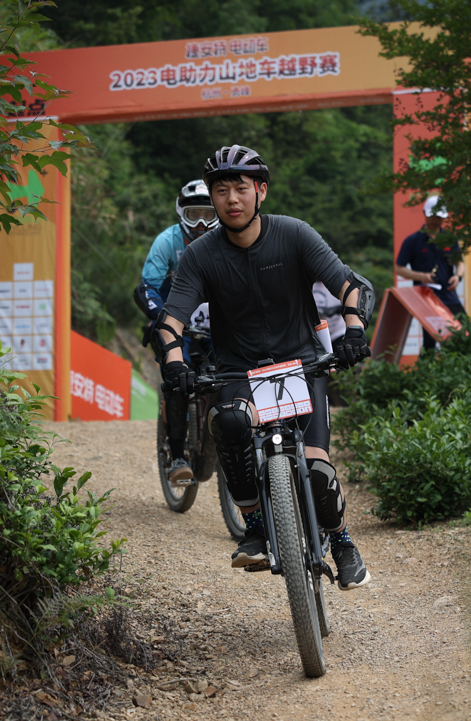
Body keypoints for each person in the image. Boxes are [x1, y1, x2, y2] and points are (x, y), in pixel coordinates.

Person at [154, 144, 372, 590]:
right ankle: (254, 526)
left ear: (261, 191)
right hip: (238, 373)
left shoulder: (294, 235)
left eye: (241, 188)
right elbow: (170, 321)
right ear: (211, 199)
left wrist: (353, 331)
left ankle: (344, 542)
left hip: (303, 366)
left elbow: (350, 285)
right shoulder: (201, 256)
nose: (231, 199)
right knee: (229, 423)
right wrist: (174, 363)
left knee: (315, 469)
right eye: (221, 190)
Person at [134, 180, 218, 483]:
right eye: (194, 214)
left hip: (215, 323)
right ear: (181, 212)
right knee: (177, 380)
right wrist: (160, 317)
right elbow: (147, 287)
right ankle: (178, 454)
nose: (200, 223)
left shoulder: (227, 238)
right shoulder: (167, 241)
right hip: (176, 324)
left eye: (208, 214)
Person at [395, 195, 467, 351]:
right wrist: (422, 277)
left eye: (439, 217)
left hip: (448, 294)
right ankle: (426, 372)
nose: (435, 220)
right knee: (430, 340)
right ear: (425, 214)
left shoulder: (449, 239)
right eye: (432, 216)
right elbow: (399, 268)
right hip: (425, 296)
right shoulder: (412, 241)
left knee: (465, 328)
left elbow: (460, 263)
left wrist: (457, 276)